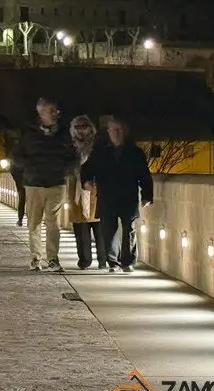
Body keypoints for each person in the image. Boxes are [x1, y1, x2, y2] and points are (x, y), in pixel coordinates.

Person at [81, 116, 153, 273]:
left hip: (128, 196)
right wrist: (87, 181)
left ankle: (128, 261)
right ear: (108, 131)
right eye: (113, 130)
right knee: (108, 230)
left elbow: (144, 175)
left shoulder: (135, 152)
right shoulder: (100, 151)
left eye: (119, 130)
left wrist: (147, 195)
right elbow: (87, 168)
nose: (116, 133)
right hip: (107, 196)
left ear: (124, 131)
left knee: (129, 230)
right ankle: (113, 262)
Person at [14, 97, 76, 272]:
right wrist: (29, 167)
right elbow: (17, 155)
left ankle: (53, 259)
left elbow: (73, 155)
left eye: (56, 110)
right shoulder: (28, 133)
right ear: (41, 113)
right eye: (51, 110)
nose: (56, 113)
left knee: (52, 222)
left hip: (56, 182)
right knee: (34, 222)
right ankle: (35, 257)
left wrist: (66, 168)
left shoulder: (64, 132)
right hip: (34, 183)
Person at [66, 115, 107, 270]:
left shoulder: (98, 146)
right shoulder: (70, 147)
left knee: (99, 225)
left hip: (94, 187)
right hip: (76, 188)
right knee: (80, 226)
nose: (81, 131)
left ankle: (103, 259)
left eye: (84, 127)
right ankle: (84, 260)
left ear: (90, 128)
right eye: (77, 127)